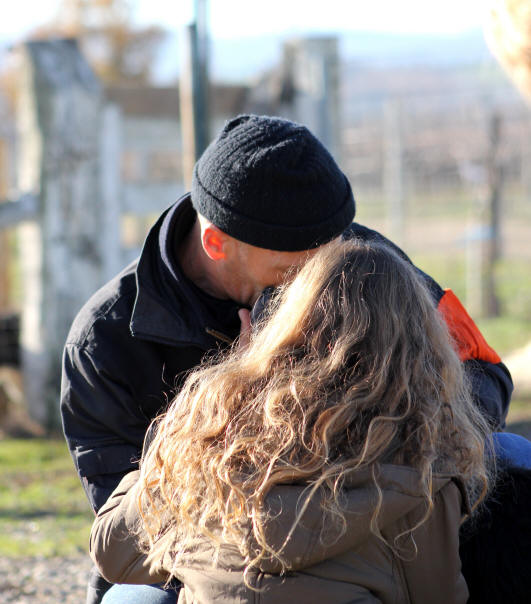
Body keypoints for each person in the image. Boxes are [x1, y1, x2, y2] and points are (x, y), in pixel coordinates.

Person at [60, 114, 512, 603]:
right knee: (133, 599)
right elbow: (126, 532)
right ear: (216, 243)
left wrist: (392, 435)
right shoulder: (103, 341)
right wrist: (232, 406)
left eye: (329, 259)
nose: (318, 281)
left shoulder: (362, 260)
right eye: (293, 272)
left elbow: (482, 372)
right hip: (206, 559)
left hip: (372, 524)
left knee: (513, 459)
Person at [89, 238, 493, 603]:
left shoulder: (212, 431)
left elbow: (114, 552)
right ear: (422, 350)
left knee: (132, 599)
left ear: (283, 328)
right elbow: (436, 595)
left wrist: (227, 392)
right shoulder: (422, 465)